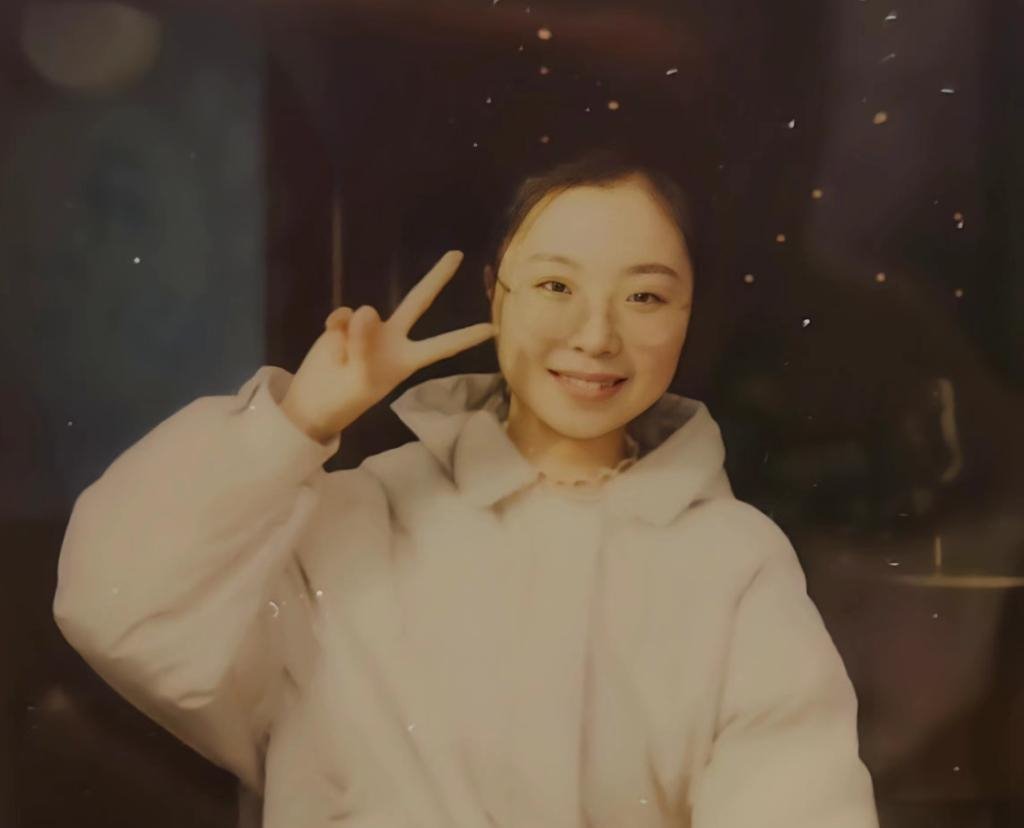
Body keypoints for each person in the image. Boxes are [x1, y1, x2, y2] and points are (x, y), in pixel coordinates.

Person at [53, 148, 880, 826]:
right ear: (494, 292)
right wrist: (293, 423)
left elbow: (800, 805)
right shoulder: (351, 522)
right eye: (556, 286)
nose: (596, 335)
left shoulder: (732, 565)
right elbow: (117, 607)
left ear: (689, 315)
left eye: (644, 296)